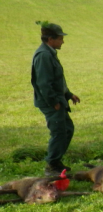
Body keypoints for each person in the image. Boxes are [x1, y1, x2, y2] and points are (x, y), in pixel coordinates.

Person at [31, 21, 80, 176]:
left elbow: (56, 80)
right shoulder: (44, 56)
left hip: (57, 99)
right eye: (60, 38)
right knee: (59, 131)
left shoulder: (49, 53)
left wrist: (68, 94)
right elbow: (44, 83)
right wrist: (54, 103)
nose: (62, 41)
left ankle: (56, 161)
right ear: (50, 39)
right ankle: (51, 166)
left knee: (67, 129)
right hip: (51, 102)